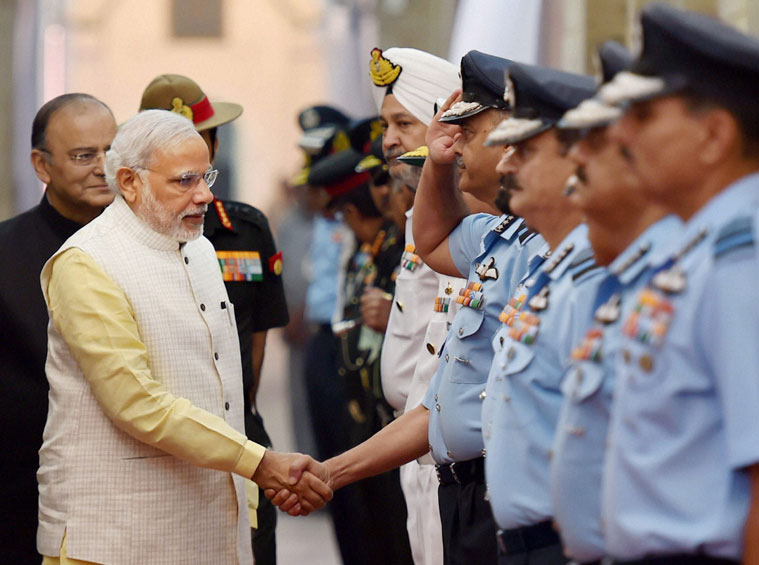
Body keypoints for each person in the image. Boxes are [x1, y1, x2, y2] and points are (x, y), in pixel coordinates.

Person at [37, 110, 331, 565]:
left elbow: (222, 386)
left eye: (206, 176)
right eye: (185, 181)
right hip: (118, 531)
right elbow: (135, 401)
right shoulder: (86, 262)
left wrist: (253, 483)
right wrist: (260, 463)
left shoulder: (199, 245)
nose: (206, 195)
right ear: (130, 183)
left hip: (210, 518)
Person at [595, 4, 759, 563]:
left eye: (642, 116)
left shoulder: (742, 258)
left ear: (714, 135)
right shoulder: (698, 249)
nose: (619, 134)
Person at [138, 73, 289, 564]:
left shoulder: (245, 228)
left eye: (196, 144)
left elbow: (259, 337)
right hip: (151, 443)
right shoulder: (116, 241)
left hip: (239, 434)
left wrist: (237, 408)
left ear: (215, 146)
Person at [480, 62, 600, 565]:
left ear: (577, 160)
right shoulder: (551, 268)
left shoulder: (593, 280)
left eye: (524, 151)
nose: (505, 166)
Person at [0, 93, 117, 564]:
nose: (103, 167)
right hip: (20, 498)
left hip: (131, 493)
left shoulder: (157, 245)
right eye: (84, 155)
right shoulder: (6, 254)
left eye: (113, 150)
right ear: (42, 166)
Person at [367, 46, 461, 565]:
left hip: (449, 461)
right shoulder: (415, 220)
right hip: (414, 456)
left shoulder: (472, 224)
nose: (388, 141)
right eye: (386, 125)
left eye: (403, 123)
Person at [308, 138, 413, 565]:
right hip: (366, 412)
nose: (386, 192)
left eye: (390, 182)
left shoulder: (400, 247)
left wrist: (395, 316)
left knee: (395, 537)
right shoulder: (374, 249)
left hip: (396, 423)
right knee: (368, 530)